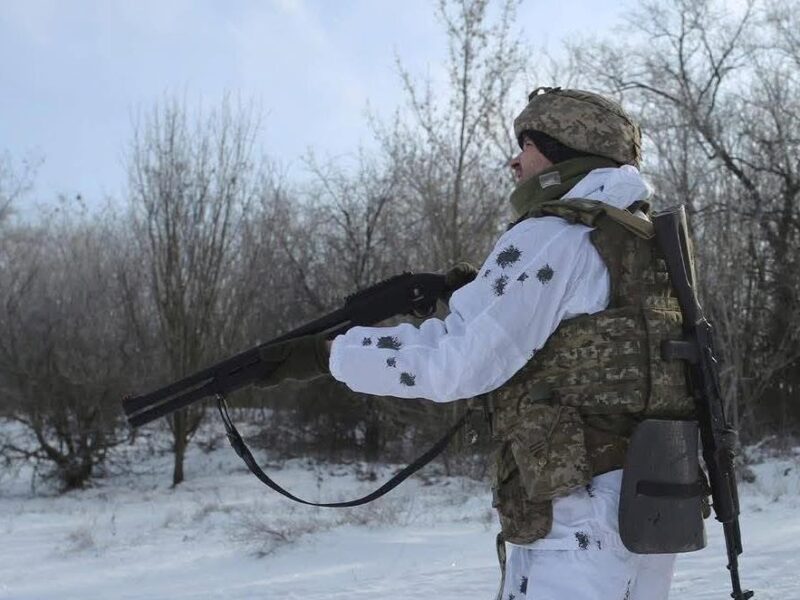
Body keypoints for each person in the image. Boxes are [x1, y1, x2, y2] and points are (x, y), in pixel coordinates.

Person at [261, 87, 696, 599]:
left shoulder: (555, 234)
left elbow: (456, 361)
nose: (515, 161)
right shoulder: (638, 238)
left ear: (564, 152)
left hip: (578, 521)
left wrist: (333, 354)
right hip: (648, 503)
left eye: (528, 145)